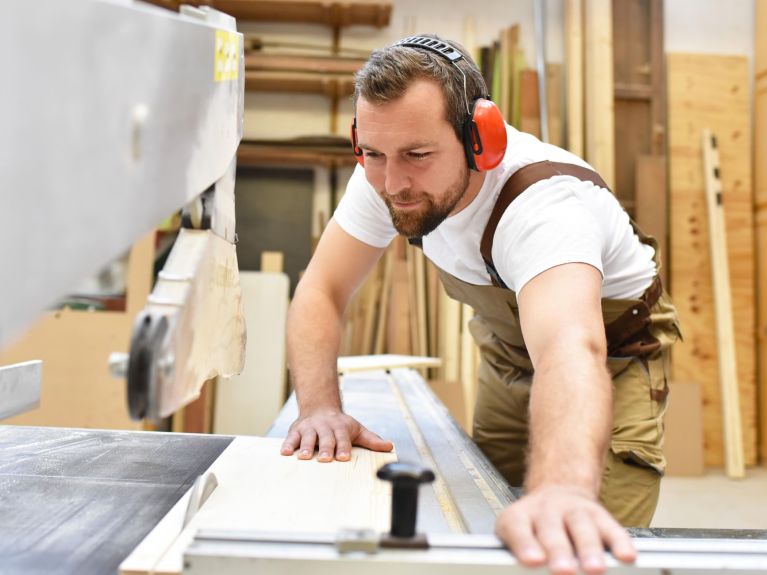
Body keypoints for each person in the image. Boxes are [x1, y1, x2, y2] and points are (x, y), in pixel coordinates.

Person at [280, 34, 681, 575]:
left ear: (481, 140)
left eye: (418, 155)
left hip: (609, 362)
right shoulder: (389, 172)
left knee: (579, 544)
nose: (392, 183)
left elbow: (569, 350)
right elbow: (321, 291)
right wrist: (320, 407)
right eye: (372, 153)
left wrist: (562, 489)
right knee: (481, 514)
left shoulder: (544, 206)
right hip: (506, 355)